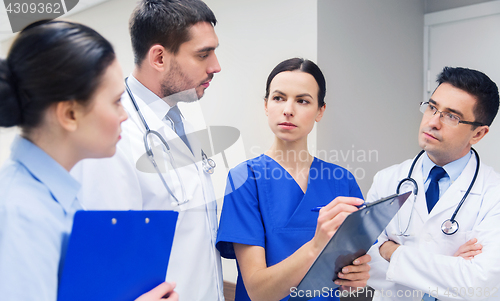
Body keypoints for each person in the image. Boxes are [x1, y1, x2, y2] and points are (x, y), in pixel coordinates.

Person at [0, 20, 178, 301]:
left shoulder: (60, 198)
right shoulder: (20, 212)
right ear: (70, 114)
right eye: (116, 101)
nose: (124, 115)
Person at [71, 0, 224, 299]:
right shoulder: (112, 135)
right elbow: (107, 258)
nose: (215, 66)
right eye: (203, 54)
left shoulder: (184, 119)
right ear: (158, 58)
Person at [216, 58, 371, 301]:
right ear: (266, 105)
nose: (288, 109)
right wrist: (315, 246)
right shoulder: (245, 180)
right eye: (278, 98)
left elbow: (351, 285)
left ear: (320, 111)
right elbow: (258, 291)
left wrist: (354, 281)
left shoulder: (343, 181)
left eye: (302, 101)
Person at [366, 67, 500, 300]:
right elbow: (365, 265)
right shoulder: (387, 180)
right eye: (432, 107)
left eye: (452, 116)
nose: (433, 122)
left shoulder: (494, 193)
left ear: (478, 134)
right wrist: (448, 268)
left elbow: (479, 283)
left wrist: (391, 250)